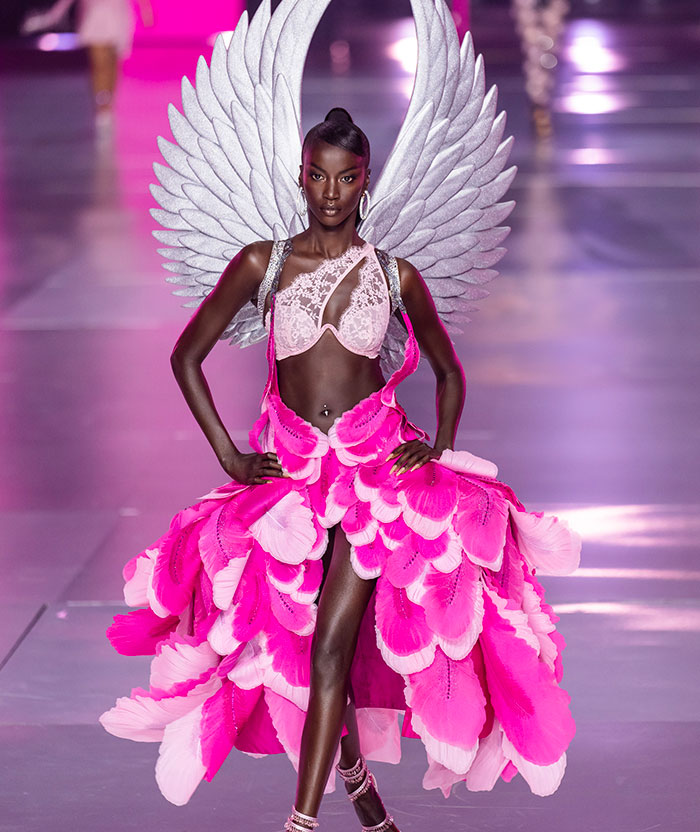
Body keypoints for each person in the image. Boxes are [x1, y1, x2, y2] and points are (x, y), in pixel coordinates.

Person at [99, 106, 581, 832]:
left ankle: (301, 823)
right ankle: (359, 788)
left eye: (345, 178)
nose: (330, 191)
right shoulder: (264, 263)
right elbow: (185, 355)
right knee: (302, 642)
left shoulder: (393, 274)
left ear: (365, 183)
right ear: (302, 176)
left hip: (372, 481)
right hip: (289, 481)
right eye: (318, 176)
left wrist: (438, 448)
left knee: (328, 646)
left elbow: (449, 371)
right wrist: (229, 453)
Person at [21, 0, 153, 122]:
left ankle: (108, 103)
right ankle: (101, 107)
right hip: (95, 14)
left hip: (118, 15)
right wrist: (54, 14)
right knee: (99, 65)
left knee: (112, 63)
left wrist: (145, 9)